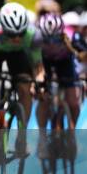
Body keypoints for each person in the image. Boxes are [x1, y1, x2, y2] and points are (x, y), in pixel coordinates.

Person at [0, 2, 44, 161]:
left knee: (25, 89)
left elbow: (38, 66)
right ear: (3, 29)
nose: (17, 38)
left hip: (18, 56)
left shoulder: (34, 35)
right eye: (12, 34)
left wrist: (38, 81)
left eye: (21, 34)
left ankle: (21, 138)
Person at [35, 13, 82, 158]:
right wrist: (38, 79)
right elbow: (33, 62)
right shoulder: (35, 39)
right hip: (45, 64)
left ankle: (70, 133)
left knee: (74, 102)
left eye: (54, 39)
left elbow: (82, 54)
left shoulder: (72, 36)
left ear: (61, 34)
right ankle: (42, 138)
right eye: (46, 40)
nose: (50, 44)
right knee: (43, 99)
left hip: (65, 65)